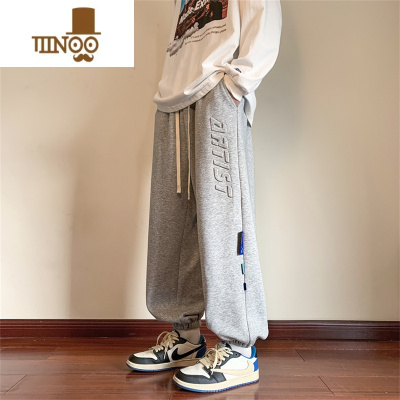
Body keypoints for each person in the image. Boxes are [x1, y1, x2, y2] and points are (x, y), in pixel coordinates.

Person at [126, 0, 282, 393]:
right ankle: (186, 337)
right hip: (173, 100)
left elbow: (264, 14)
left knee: (225, 223)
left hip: (218, 92)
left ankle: (240, 349)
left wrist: (237, 83)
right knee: (172, 226)